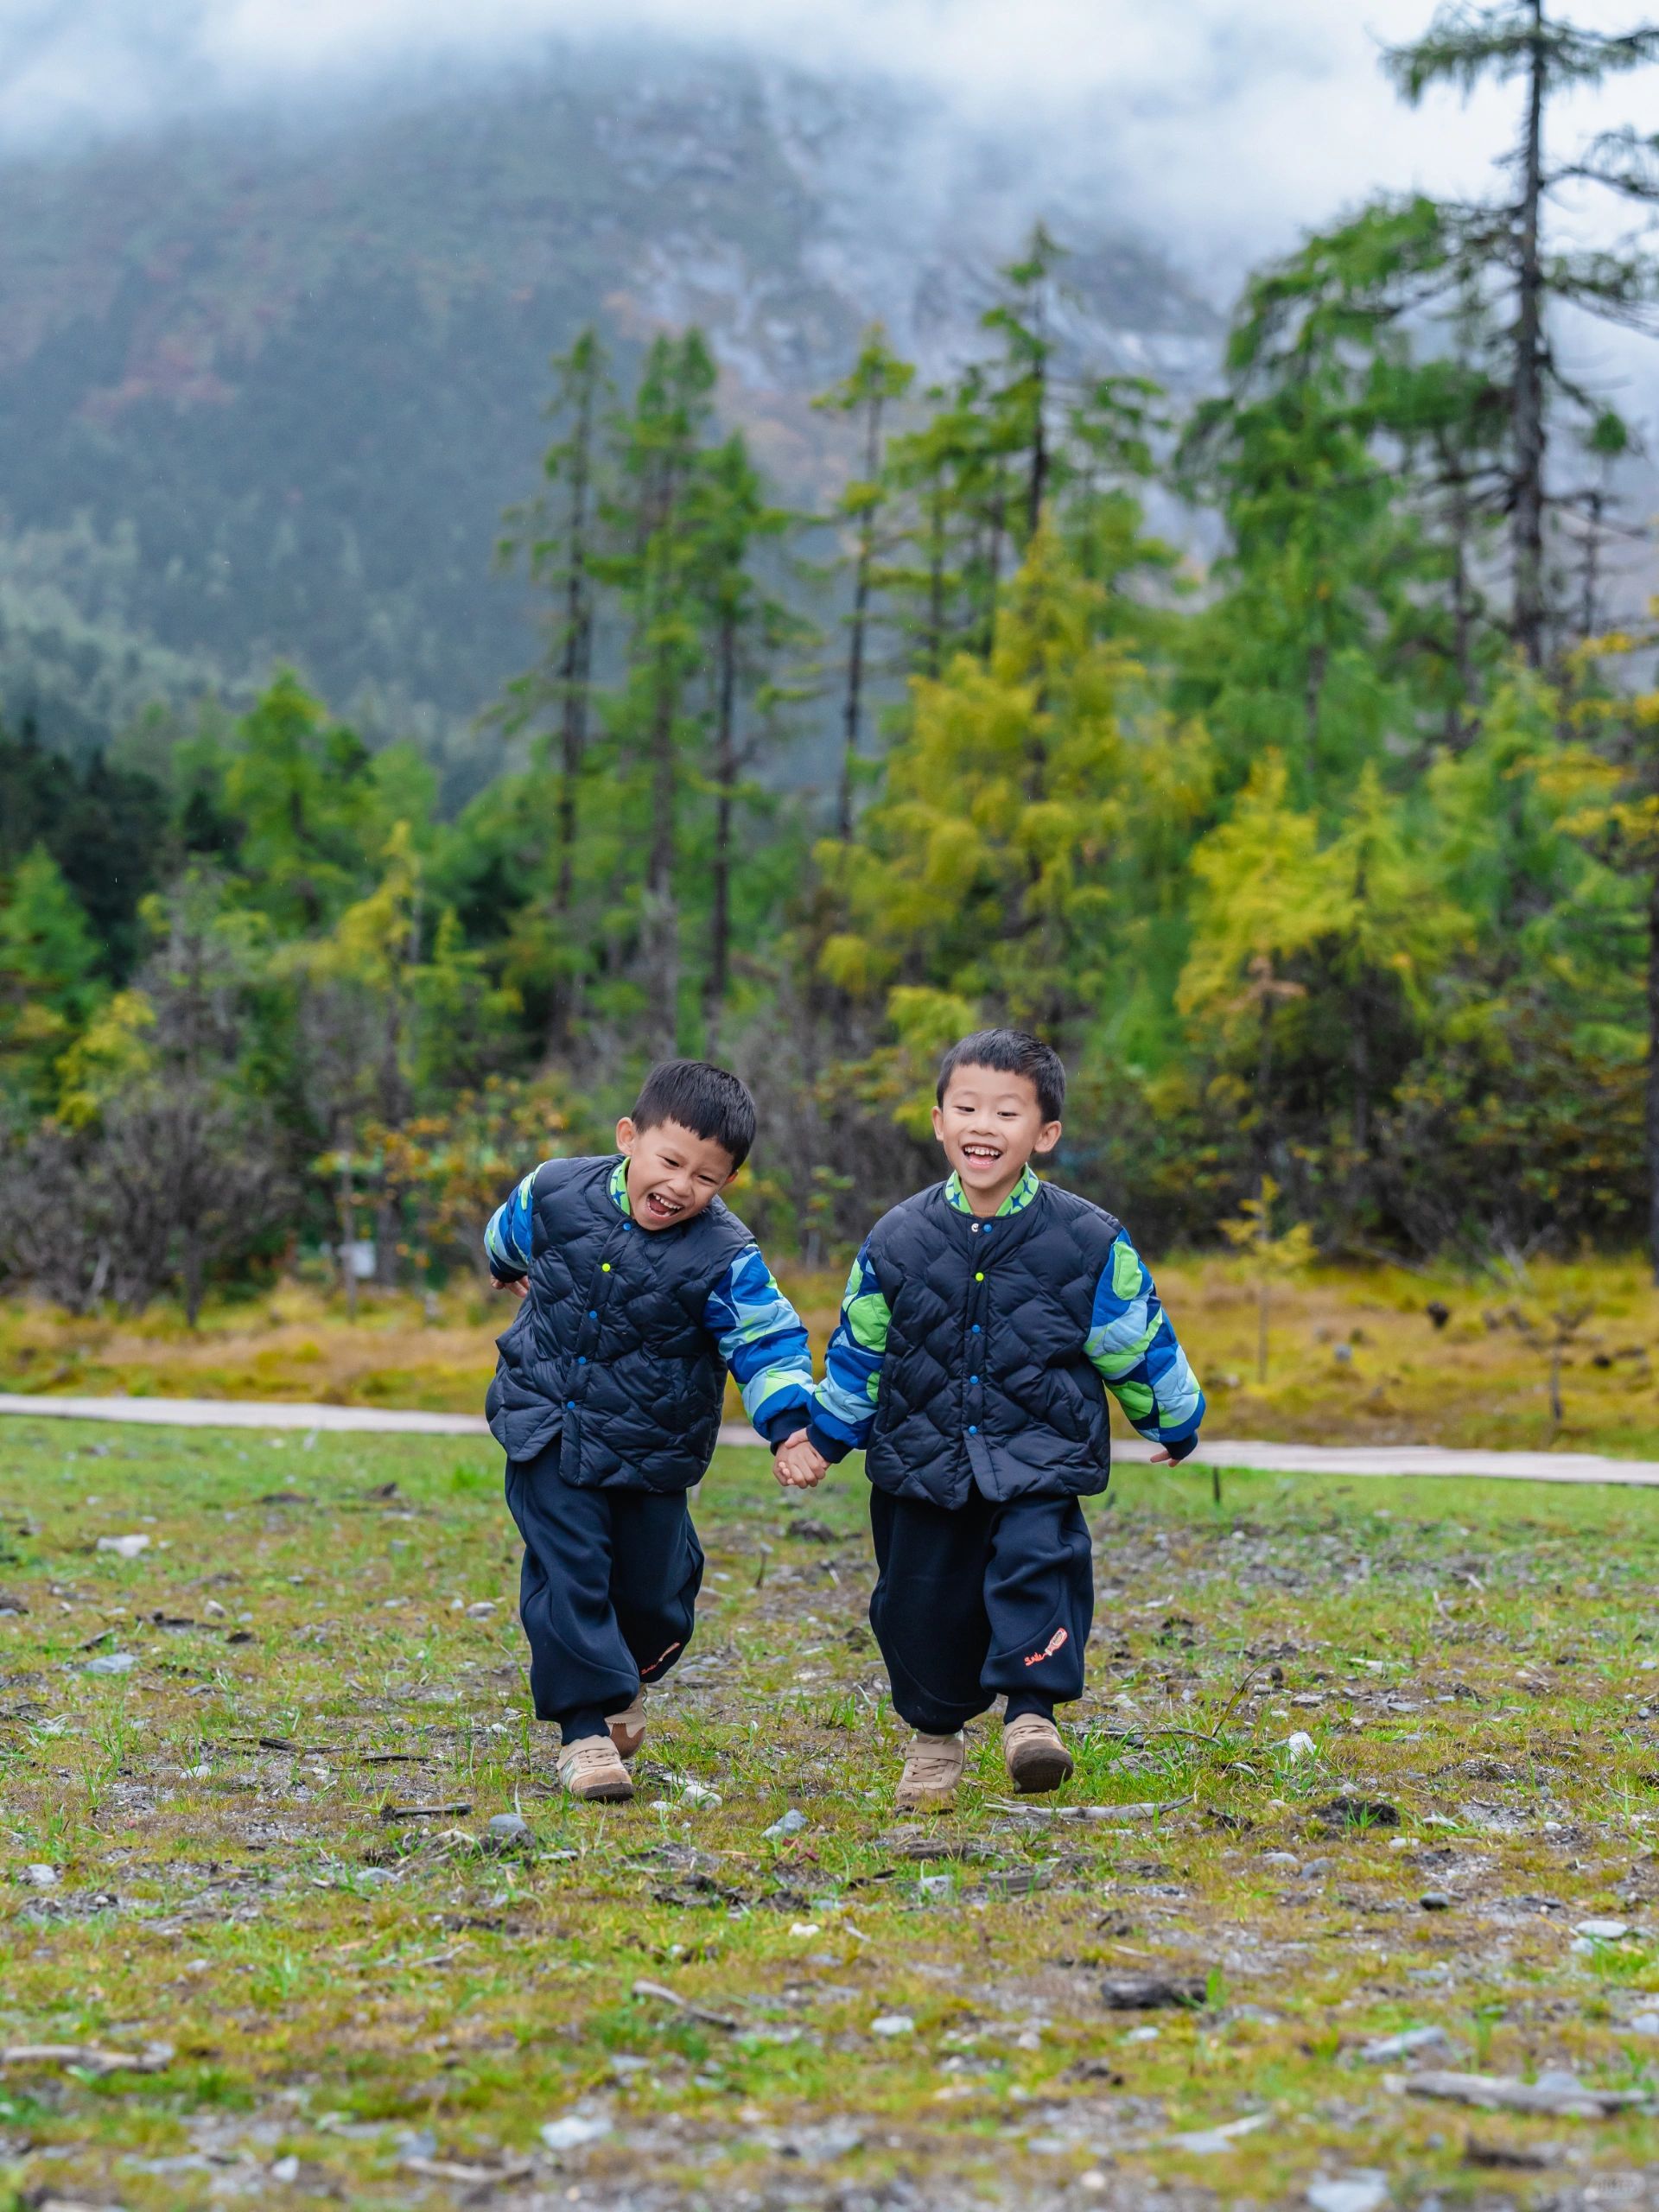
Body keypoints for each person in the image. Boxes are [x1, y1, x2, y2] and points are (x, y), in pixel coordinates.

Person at [775, 1028, 1205, 1809]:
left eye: (1006, 1113)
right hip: (919, 1459)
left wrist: (1173, 1419)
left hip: (1037, 1452)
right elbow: (859, 1352)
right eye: (966, 1107)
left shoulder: (1089, 1239)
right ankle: (934, 1743)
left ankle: (1031, 1719)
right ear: (938, 1121)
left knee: (1038, 1565)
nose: (983, 1125)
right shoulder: (895, 1239)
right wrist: (824, 1437)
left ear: (1044, 1135)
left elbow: (1133, 1337)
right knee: (917, 1604)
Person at [486, 1059, 814, 1802]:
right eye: (669, 1162)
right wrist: (504, 1267)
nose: (678, 1188)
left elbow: (767, 1343)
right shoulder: (557, 1188)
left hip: (653, 1447)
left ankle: (625, 1674)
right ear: (629, 1138)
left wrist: (791, 1428)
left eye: (706, 1178)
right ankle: (583, 1734)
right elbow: (508, 1230)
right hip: (546, 1423)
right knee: (569, 1571)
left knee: (655, 1591)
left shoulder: (727, 1257)